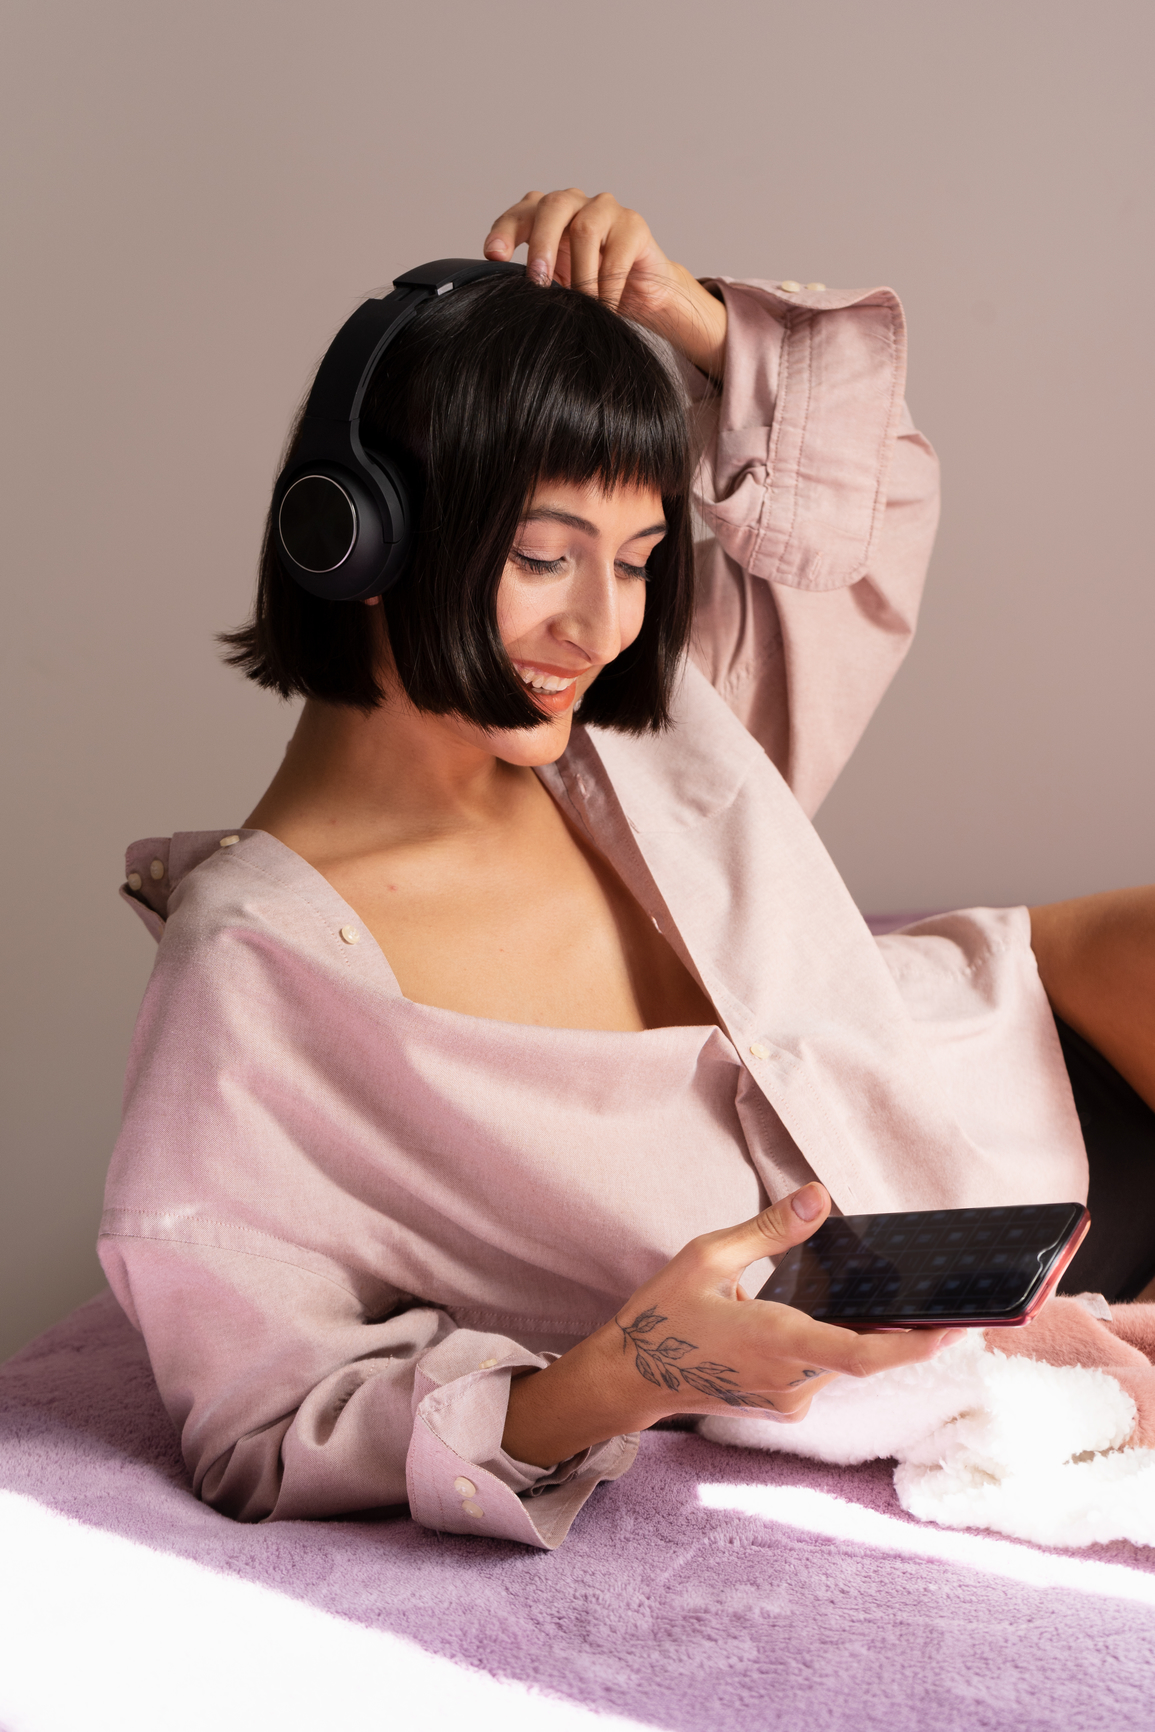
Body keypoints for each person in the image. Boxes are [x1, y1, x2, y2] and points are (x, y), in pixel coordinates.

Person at [100, 189, 1155, 1551]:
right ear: (354, 535)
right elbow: (259, 1420)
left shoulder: (634, 716)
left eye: (643, 562)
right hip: (974, 1297)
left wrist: (681, 318)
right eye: (545, 557)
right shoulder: (254, 980)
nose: (598, 623)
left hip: (1033, 1051)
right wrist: (620, 1374)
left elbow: (857, 513)